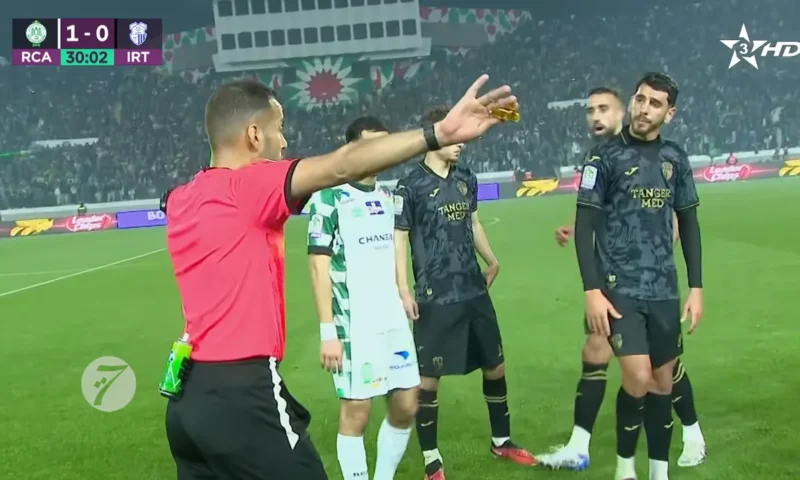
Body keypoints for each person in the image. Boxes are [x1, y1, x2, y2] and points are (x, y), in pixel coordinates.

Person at [161, 76, 517, 480]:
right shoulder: (247, 185)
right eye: (279, 129)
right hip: (241, 392)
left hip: (185, 396)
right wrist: (437, 134)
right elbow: (342, 165)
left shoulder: (182, 197)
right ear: (254, 135)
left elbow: (173, 202)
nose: (284, 142)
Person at [537, 87, 706, 471]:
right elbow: (600, 210)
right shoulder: (604, 156)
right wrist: (578, 233)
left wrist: (661, 257)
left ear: (620, 113)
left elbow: (675, 217)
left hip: (653, 283)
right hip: (615, 282)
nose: (595, 116)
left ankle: (689, 433)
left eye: (603, 109)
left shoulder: (664, 156)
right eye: (590, 110)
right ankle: (595, 452)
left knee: (661, 370)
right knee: (606, 355)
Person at [394, 106, 534, 480]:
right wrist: (403, 289)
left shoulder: (465, 177)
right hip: (434, 293)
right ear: (435, 136)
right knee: (428, 379)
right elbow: (400, 237)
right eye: (454, 137)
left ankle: (501, 441)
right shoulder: (410, 186)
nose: (461, 145)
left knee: (495, 364)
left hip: (473, 288)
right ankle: (431, 460)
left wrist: (492, 259)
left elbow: (473, 221)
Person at [307, 116, 420, 480]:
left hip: (392, 319)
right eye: (371, 145)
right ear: (352, 149)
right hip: (354, 322)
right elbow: (318, 267)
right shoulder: (329, 198)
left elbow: (397, 251)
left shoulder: (389, 198)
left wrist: (404, 291)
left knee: (406, 404)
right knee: (357, 411)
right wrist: (328, 332)